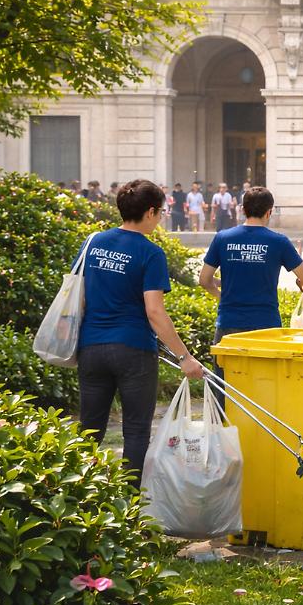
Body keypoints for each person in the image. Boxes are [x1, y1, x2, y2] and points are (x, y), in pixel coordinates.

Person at [75, 179, 205, 483]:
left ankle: (79, 498)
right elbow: (155, 312)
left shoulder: (92, 242)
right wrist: (185, 357)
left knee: (89, 428)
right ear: (149, 212)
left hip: (91, 347)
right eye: (159, 212)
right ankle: (128, 509)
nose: (160, 219)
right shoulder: (150, 253)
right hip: (134, 351)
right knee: (135, 430)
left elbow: (78, 294)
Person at [199, 187, 303, 404]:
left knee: (225, 392)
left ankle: (226, 436)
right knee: (265, 394)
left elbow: (204, 280)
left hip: (228, 325)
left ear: (243, 209)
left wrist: (223, 295)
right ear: (269, 212)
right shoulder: (278, 241)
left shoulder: (223, 238)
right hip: (266, 327)